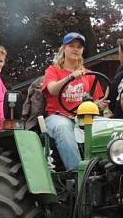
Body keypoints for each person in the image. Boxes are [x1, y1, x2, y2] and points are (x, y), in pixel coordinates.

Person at [42, 32, 106, 171]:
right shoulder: (53, 70)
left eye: (79, 47)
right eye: (71, 46)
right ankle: (79, 173)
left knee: (109, 127)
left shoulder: (89, 74)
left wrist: (98, 105)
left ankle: (110, 169)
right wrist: (70, 77)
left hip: (84, 118)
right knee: (63, 128)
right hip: (58, 116)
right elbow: (52, 89)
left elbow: (94, 102)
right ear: (64, 48)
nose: (76, 49)